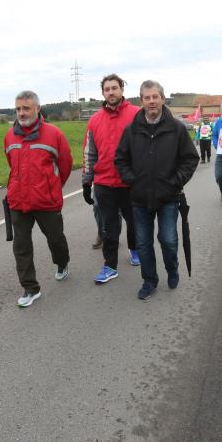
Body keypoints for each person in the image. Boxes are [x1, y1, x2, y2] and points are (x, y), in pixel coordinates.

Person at [115, 80, 199, 300]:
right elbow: (120, 159)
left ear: (162, 99)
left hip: (168, 197)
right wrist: (132, 180)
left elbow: (190, 159)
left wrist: (175, 181)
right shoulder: (132, 130)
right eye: (147, 97)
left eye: (155, 97)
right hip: (139, 198)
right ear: (141, 101)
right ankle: (149, 280)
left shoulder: (177, 128)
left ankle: (172, 269)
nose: (151, 101)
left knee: (168, 240)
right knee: (143, 243)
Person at [4, 90, 73, 308]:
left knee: (56, 239)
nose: (21, 113)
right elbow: (11, 163)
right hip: (18, 201)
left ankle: (62, 263)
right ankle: (30, 288)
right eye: (18, 109)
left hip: (46, 201)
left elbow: (65, 165)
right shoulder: (9, 136)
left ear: (37, 109)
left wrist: (53, 187)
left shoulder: (54, 134)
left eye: (26, 108)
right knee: (21, 246)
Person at [82, 74, 141, 284]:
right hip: (104, 184)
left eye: (114, 88)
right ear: (103, 93)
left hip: (130, 183)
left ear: (122, 90)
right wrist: (86, 181)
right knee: (109, 228)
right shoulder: (95, 120)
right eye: (107, 89)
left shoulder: (136, 114)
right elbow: (90, 153)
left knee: (134, 223)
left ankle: (135, 249)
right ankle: (110, 266)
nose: (111, 92)